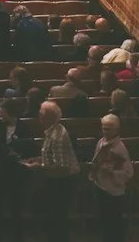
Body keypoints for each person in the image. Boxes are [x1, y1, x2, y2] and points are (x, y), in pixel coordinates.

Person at [33, 101, 80, 242]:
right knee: (54, 219)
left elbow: (61, 166)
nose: (38, 116)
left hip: (60, 184)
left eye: (41, 114)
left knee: (58, 220)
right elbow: (50, 156)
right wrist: (36, 160)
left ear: (49, 117)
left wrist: (39, 166)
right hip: (54, 181)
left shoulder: (57, 136)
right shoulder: (52, 131)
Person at [86, 113, 134, 242]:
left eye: (108, 129)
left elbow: (128, 172)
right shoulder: (101, 142)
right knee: (104, 223)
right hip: (100, 187)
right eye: (103, 128)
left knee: (115, 225)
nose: (105, 132)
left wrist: (112, 172)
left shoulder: (120, 148)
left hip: (114, 192)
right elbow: (96, 162)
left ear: (116, 130)